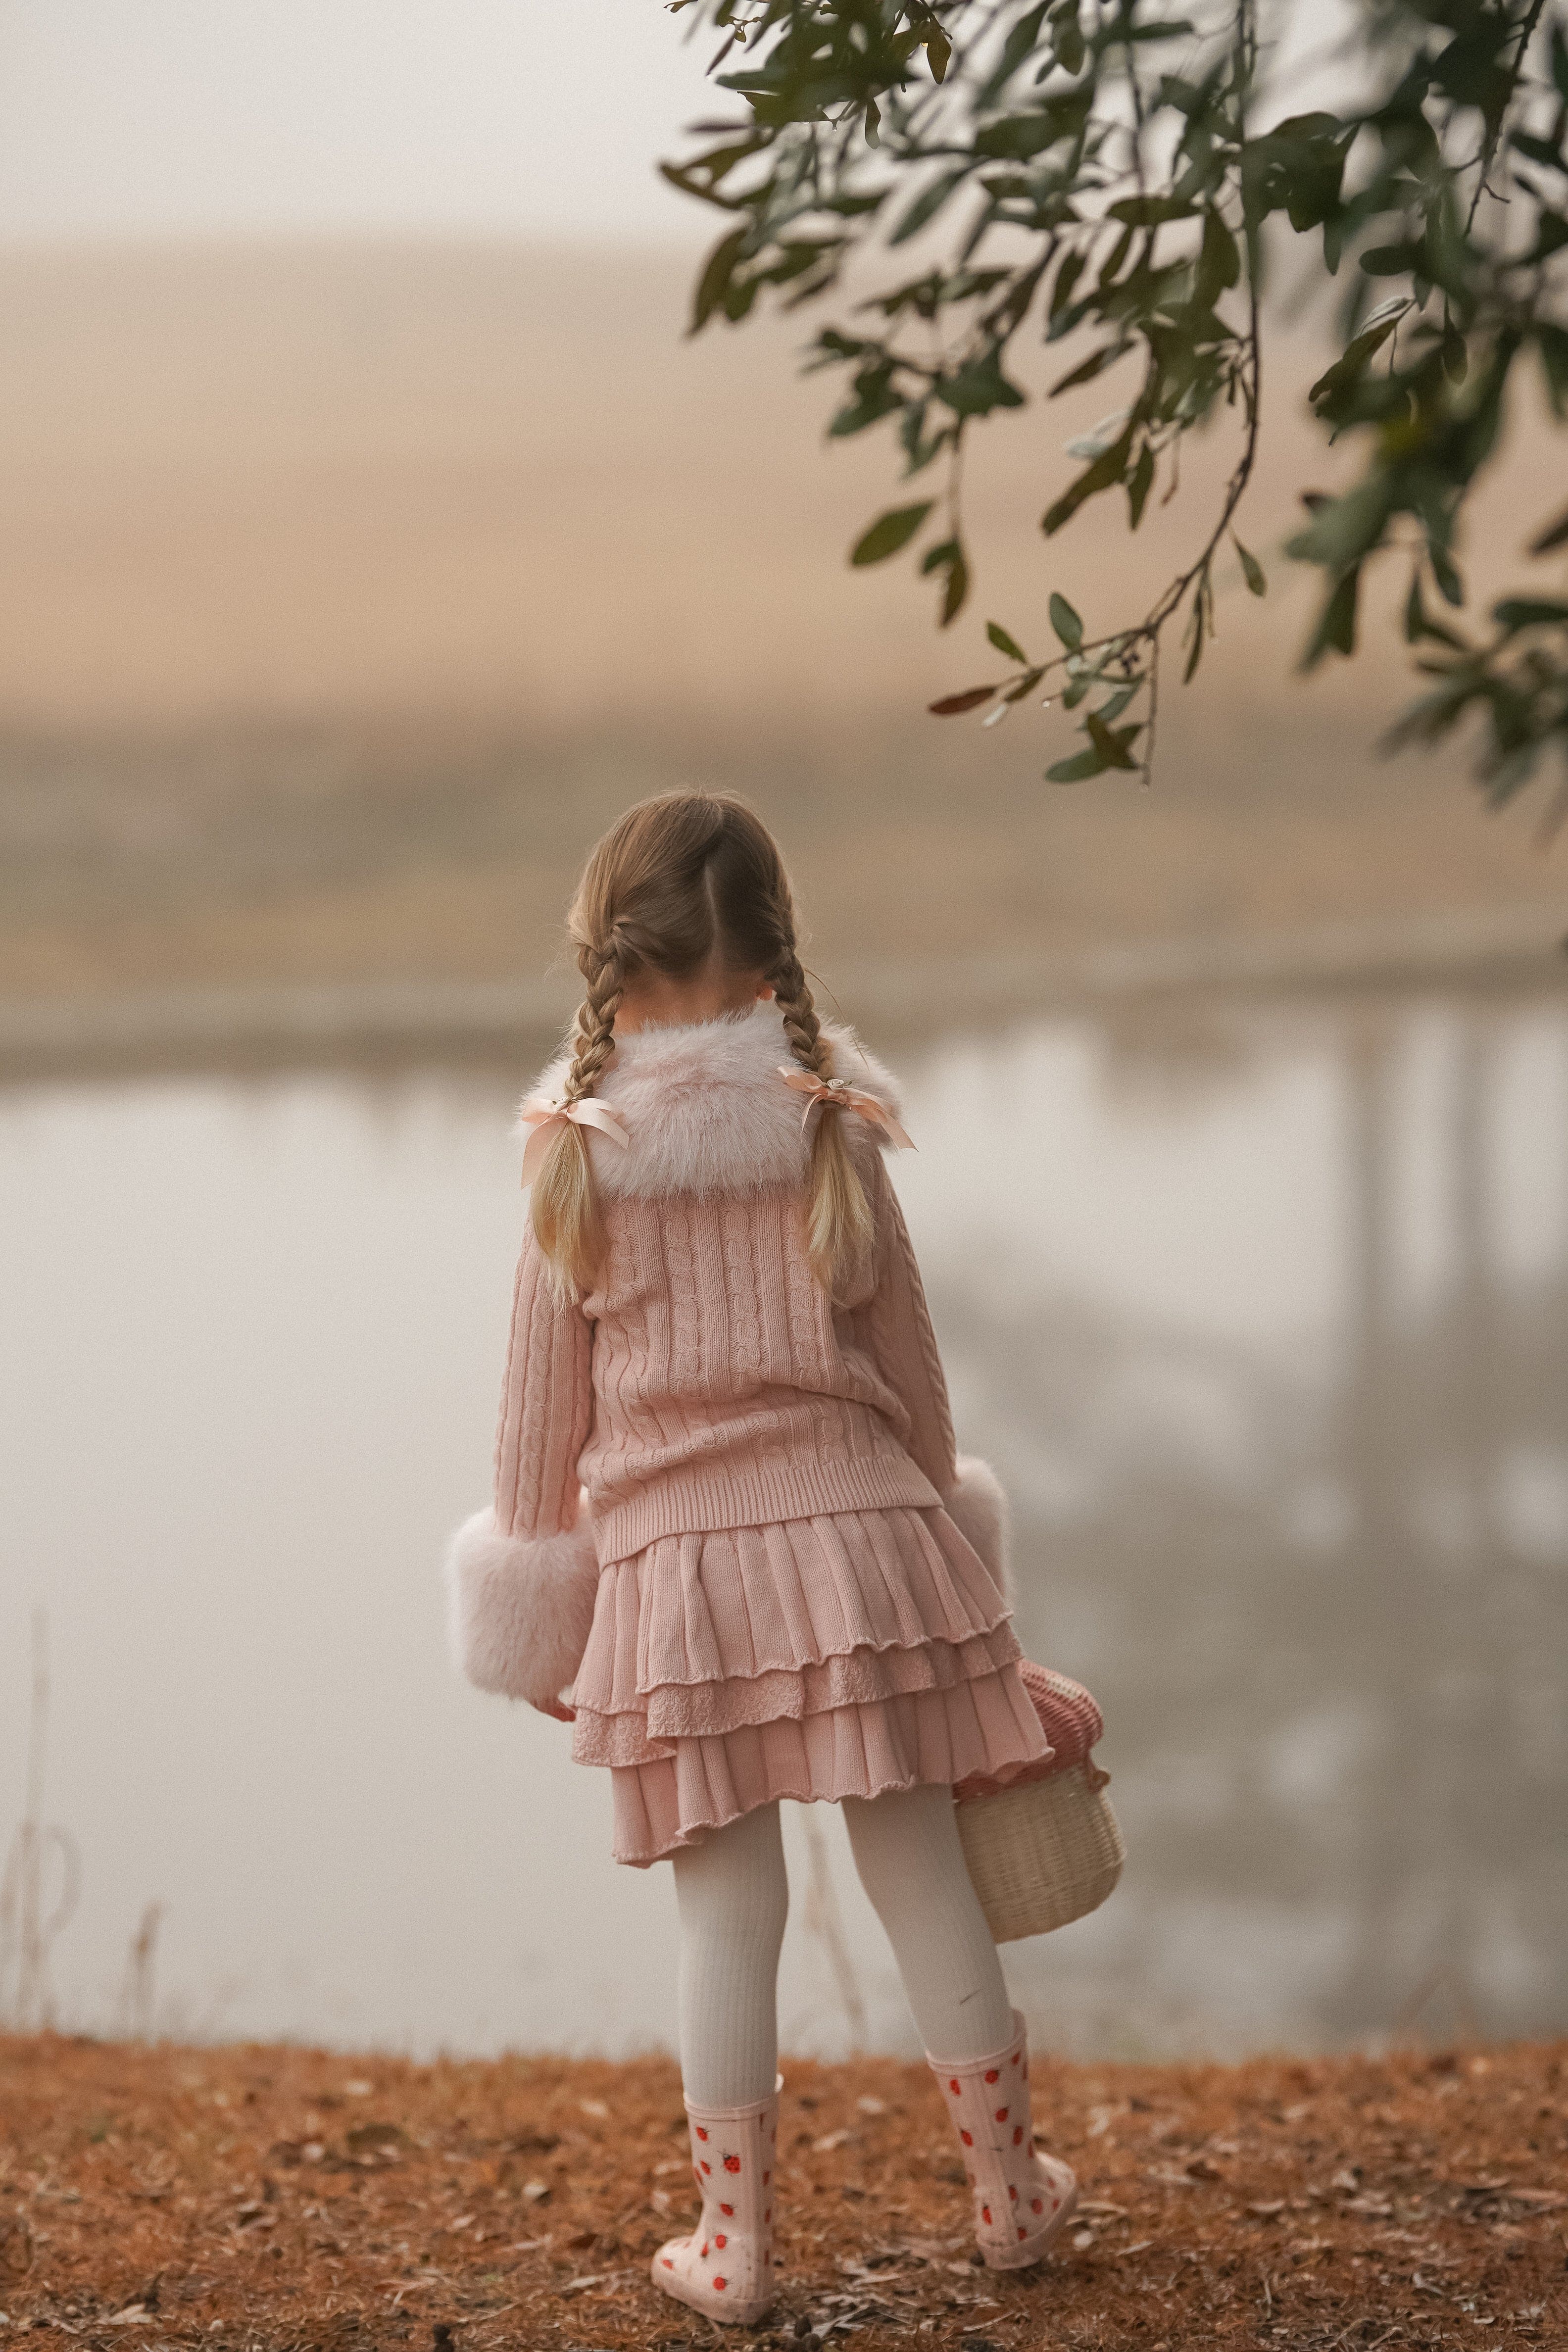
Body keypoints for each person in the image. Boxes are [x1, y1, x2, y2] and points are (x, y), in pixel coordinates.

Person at [445, 791, 1077, 2325]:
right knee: (920, 1869)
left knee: (726, 1914)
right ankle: (1010, 2198)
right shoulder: (829, 1126)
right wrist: (953, 1564)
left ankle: (732, 2250)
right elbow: (915, 1382)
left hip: (676, 1584)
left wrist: (543, 1625)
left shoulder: (572, 1156)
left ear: (611, 959)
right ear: (771, 955)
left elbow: (538, 1443)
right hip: (869, 1547)